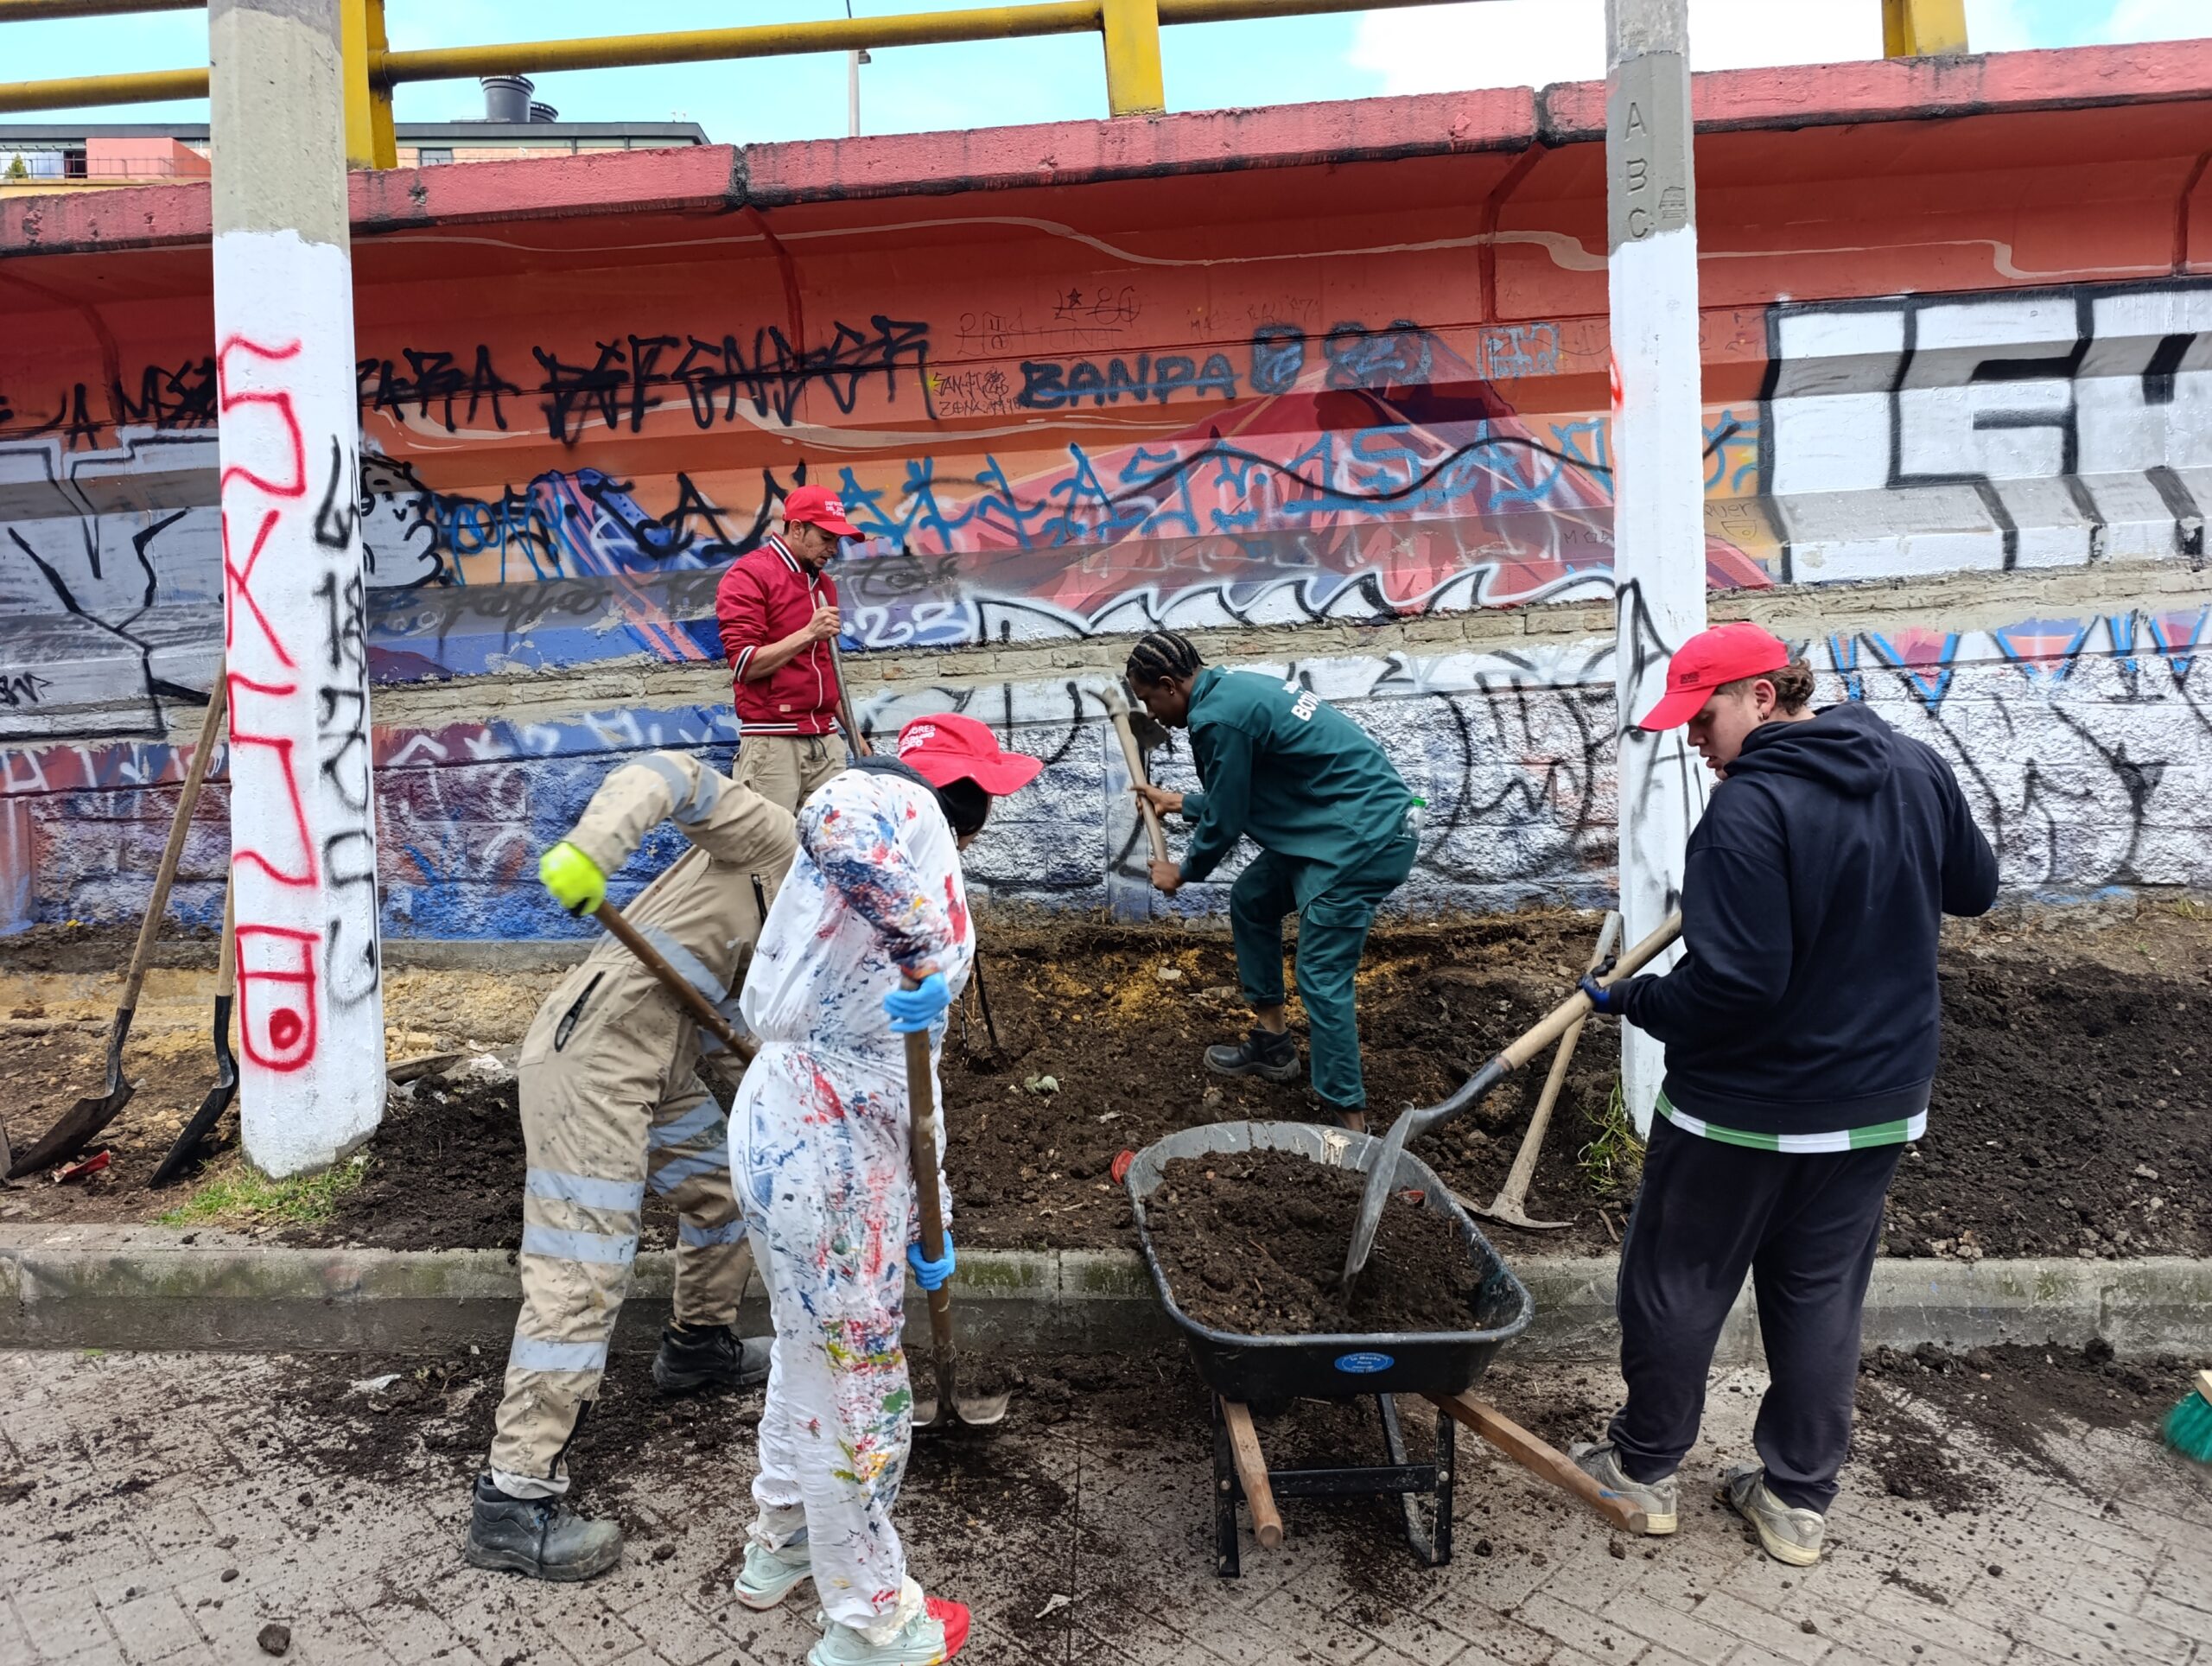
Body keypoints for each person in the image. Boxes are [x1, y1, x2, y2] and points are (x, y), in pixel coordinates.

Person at [1571, 621, 1999, 1567]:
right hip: (1878, 1098)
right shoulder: (1915, 763)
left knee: (1678, 1281)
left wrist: (1630, 997)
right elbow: (1975, 886)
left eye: (1704, 715)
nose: (1693, 739)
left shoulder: (1746, 811)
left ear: (1763, 696)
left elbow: (1735, 988)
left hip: (1743, 1109)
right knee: (1817, 1296)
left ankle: (1640, 1468)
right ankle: (1795, 1501)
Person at [727, 711, 1041, 1666]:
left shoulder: (899, 892)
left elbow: (916, 1075)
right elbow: (835, 804)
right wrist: (919, 935)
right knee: (858, 1380)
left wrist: (926, 1201)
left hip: (820, 1131)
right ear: (962, 797)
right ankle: (869, 1620)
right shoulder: (897, 807)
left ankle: (779, 1541)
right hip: (822, 1144)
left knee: (805, 1349)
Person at [466, 749, 798, 1581]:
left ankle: (697, 1348)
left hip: (664, 1057)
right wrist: (595, 850)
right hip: (597, 1055)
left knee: (728, 1194)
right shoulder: (780, 837)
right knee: (583, 1267)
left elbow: (726, 1021)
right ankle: (515, 1500)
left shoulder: (825, 915)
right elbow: (667, 773)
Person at [1124, 630, 1419, 1133]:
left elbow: (1228, 818)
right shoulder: (1232, 690)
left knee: (1322, 978)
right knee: (1254, 898)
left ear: (1170, 685)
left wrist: (1184, 871)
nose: (1150, 714)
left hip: (1361, 841)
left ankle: (1352, 1129)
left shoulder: (1214, 718)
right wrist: (1182, 802)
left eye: (1149, 699)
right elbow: (1254, 787)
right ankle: (1274, 1046)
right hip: (1336, 826)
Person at [716, 484, 863, 812]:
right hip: (773, 742)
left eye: (837, 541)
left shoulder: (822, 583)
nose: (834, 549)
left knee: (834, 850)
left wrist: (855, 736)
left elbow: (827, 669)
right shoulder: (749, 575)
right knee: (768, 852)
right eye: (826, 538)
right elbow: (744, 664)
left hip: (826, 741)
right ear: (797, 528)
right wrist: (809, 633)